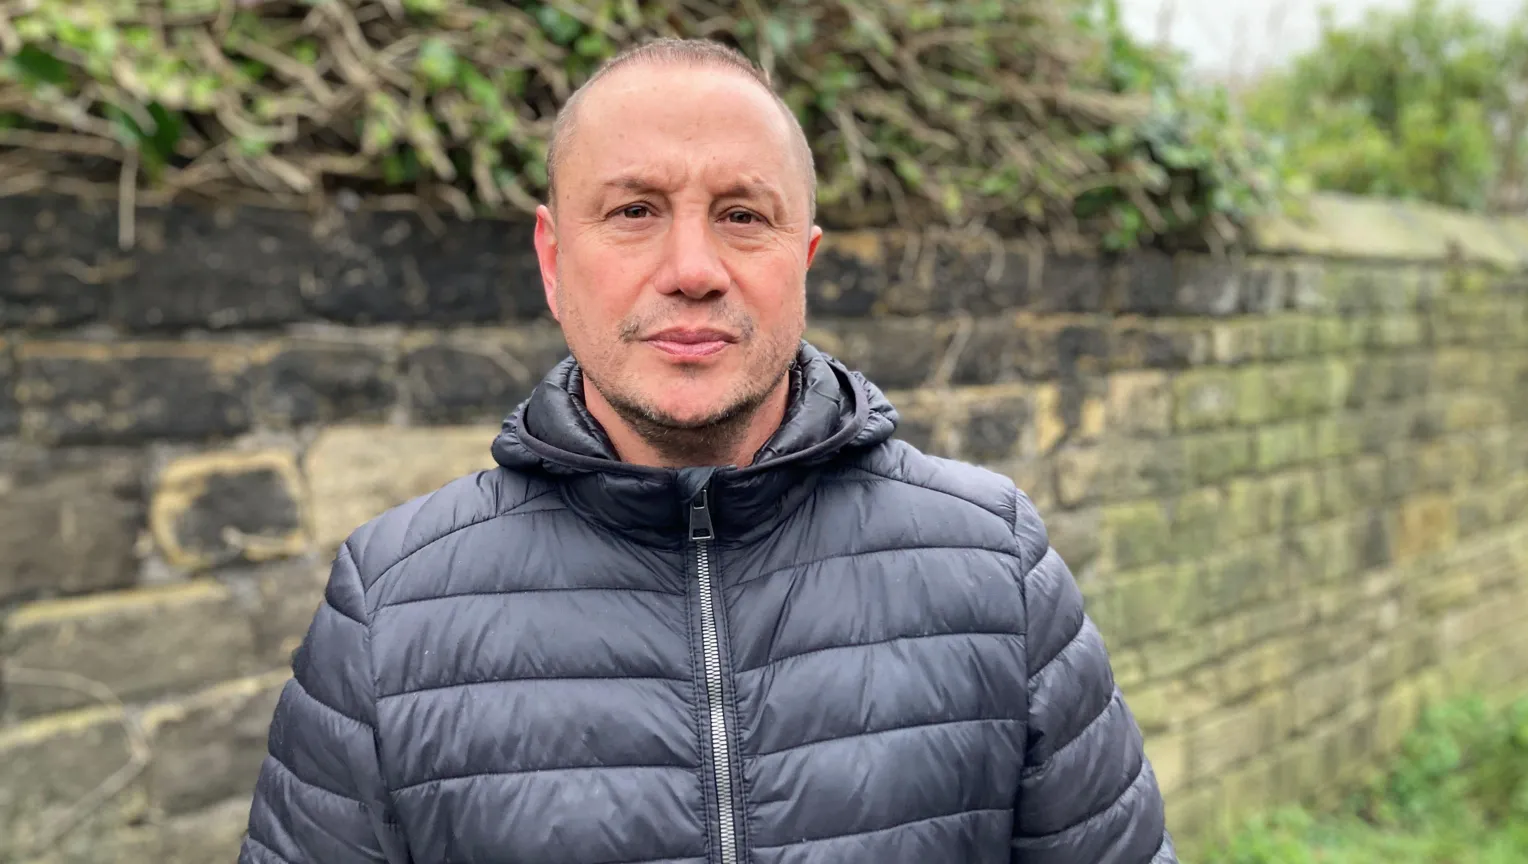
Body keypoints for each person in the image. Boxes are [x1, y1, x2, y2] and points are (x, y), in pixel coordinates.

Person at [239, 37, 1177, 864]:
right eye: (635, 211)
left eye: (741, 215)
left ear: (801, 262)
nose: (692, 269)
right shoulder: (390, 610)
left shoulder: (995, 568)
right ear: (554, 258)